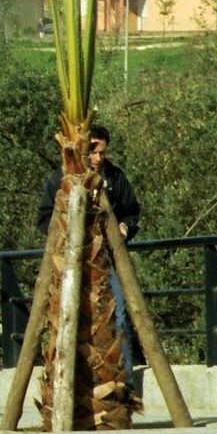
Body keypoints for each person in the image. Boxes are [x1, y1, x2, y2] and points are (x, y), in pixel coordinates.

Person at [36, 125, 142, 375]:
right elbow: (44, 219)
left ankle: (124, 380)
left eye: (102, 152)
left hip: (106, 259)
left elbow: (132, 211)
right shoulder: (60, 179)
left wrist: (125, 227)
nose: (97, 158)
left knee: (119, 316)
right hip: (70, 262)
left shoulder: (115, 177)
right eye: (93, 151)